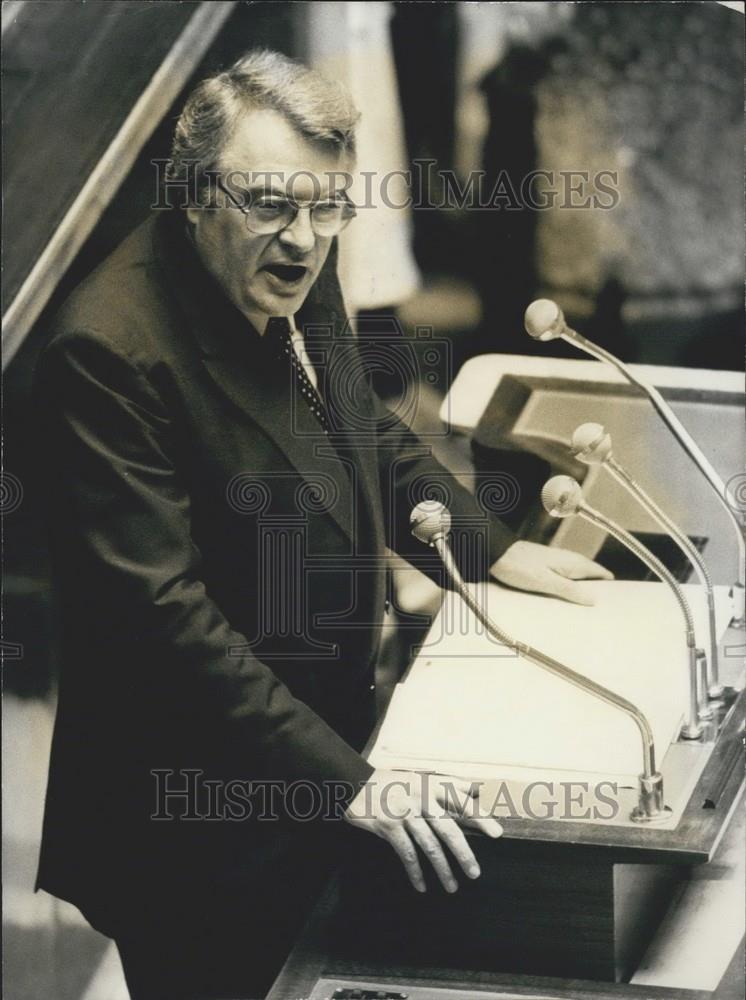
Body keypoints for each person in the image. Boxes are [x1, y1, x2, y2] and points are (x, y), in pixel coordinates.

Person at [34, 49, 612, 1000]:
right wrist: (350, 781)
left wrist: (492, 549)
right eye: (270, 205)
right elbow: (164, 625)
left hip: (320, 757)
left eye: (327, 207)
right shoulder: (105, 350)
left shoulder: (293, 255)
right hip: (195, 824)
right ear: (192, 194)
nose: (304, 239)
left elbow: (359, 423)